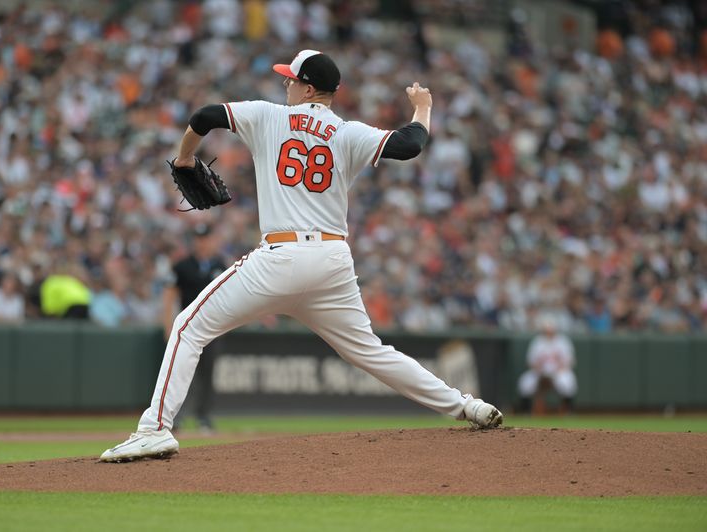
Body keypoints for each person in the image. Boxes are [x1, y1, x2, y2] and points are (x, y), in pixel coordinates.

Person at [100, 49, 503, 462]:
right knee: (371, 352)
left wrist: (186, 156)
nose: (285, 85)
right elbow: (409, 145)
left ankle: (154, 429)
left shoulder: (267, 116)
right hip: (331, 261)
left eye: (291, 80)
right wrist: (423, 109)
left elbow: (204, 116)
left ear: (308, 87)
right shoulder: (347, 132)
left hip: (281, 257)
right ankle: (466, 405)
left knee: (187, 326)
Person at [160, 223, 227, 433]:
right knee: (181, 373)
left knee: (207, 375)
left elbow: (227, 296)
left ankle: (204, 418)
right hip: (187, 328)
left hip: (212, 327)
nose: (202, 242)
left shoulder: (219, 264)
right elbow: (169, 295)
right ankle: (176, 419)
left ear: (212, 240)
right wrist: (167, 326)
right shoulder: (182, 266)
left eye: (205, 238)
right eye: (199, 238)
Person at [518, 316, 577, 415]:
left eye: (551, 330)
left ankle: (568, 410)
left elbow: (570, 361)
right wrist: (538, 369)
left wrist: (560, 368)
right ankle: (525, 411)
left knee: (568, 382)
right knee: (525, 382)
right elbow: (530, 361)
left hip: (558, 372)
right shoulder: (538, 341)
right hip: (540, 372)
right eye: (547, 330)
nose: (549, 332)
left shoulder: (562, 341)